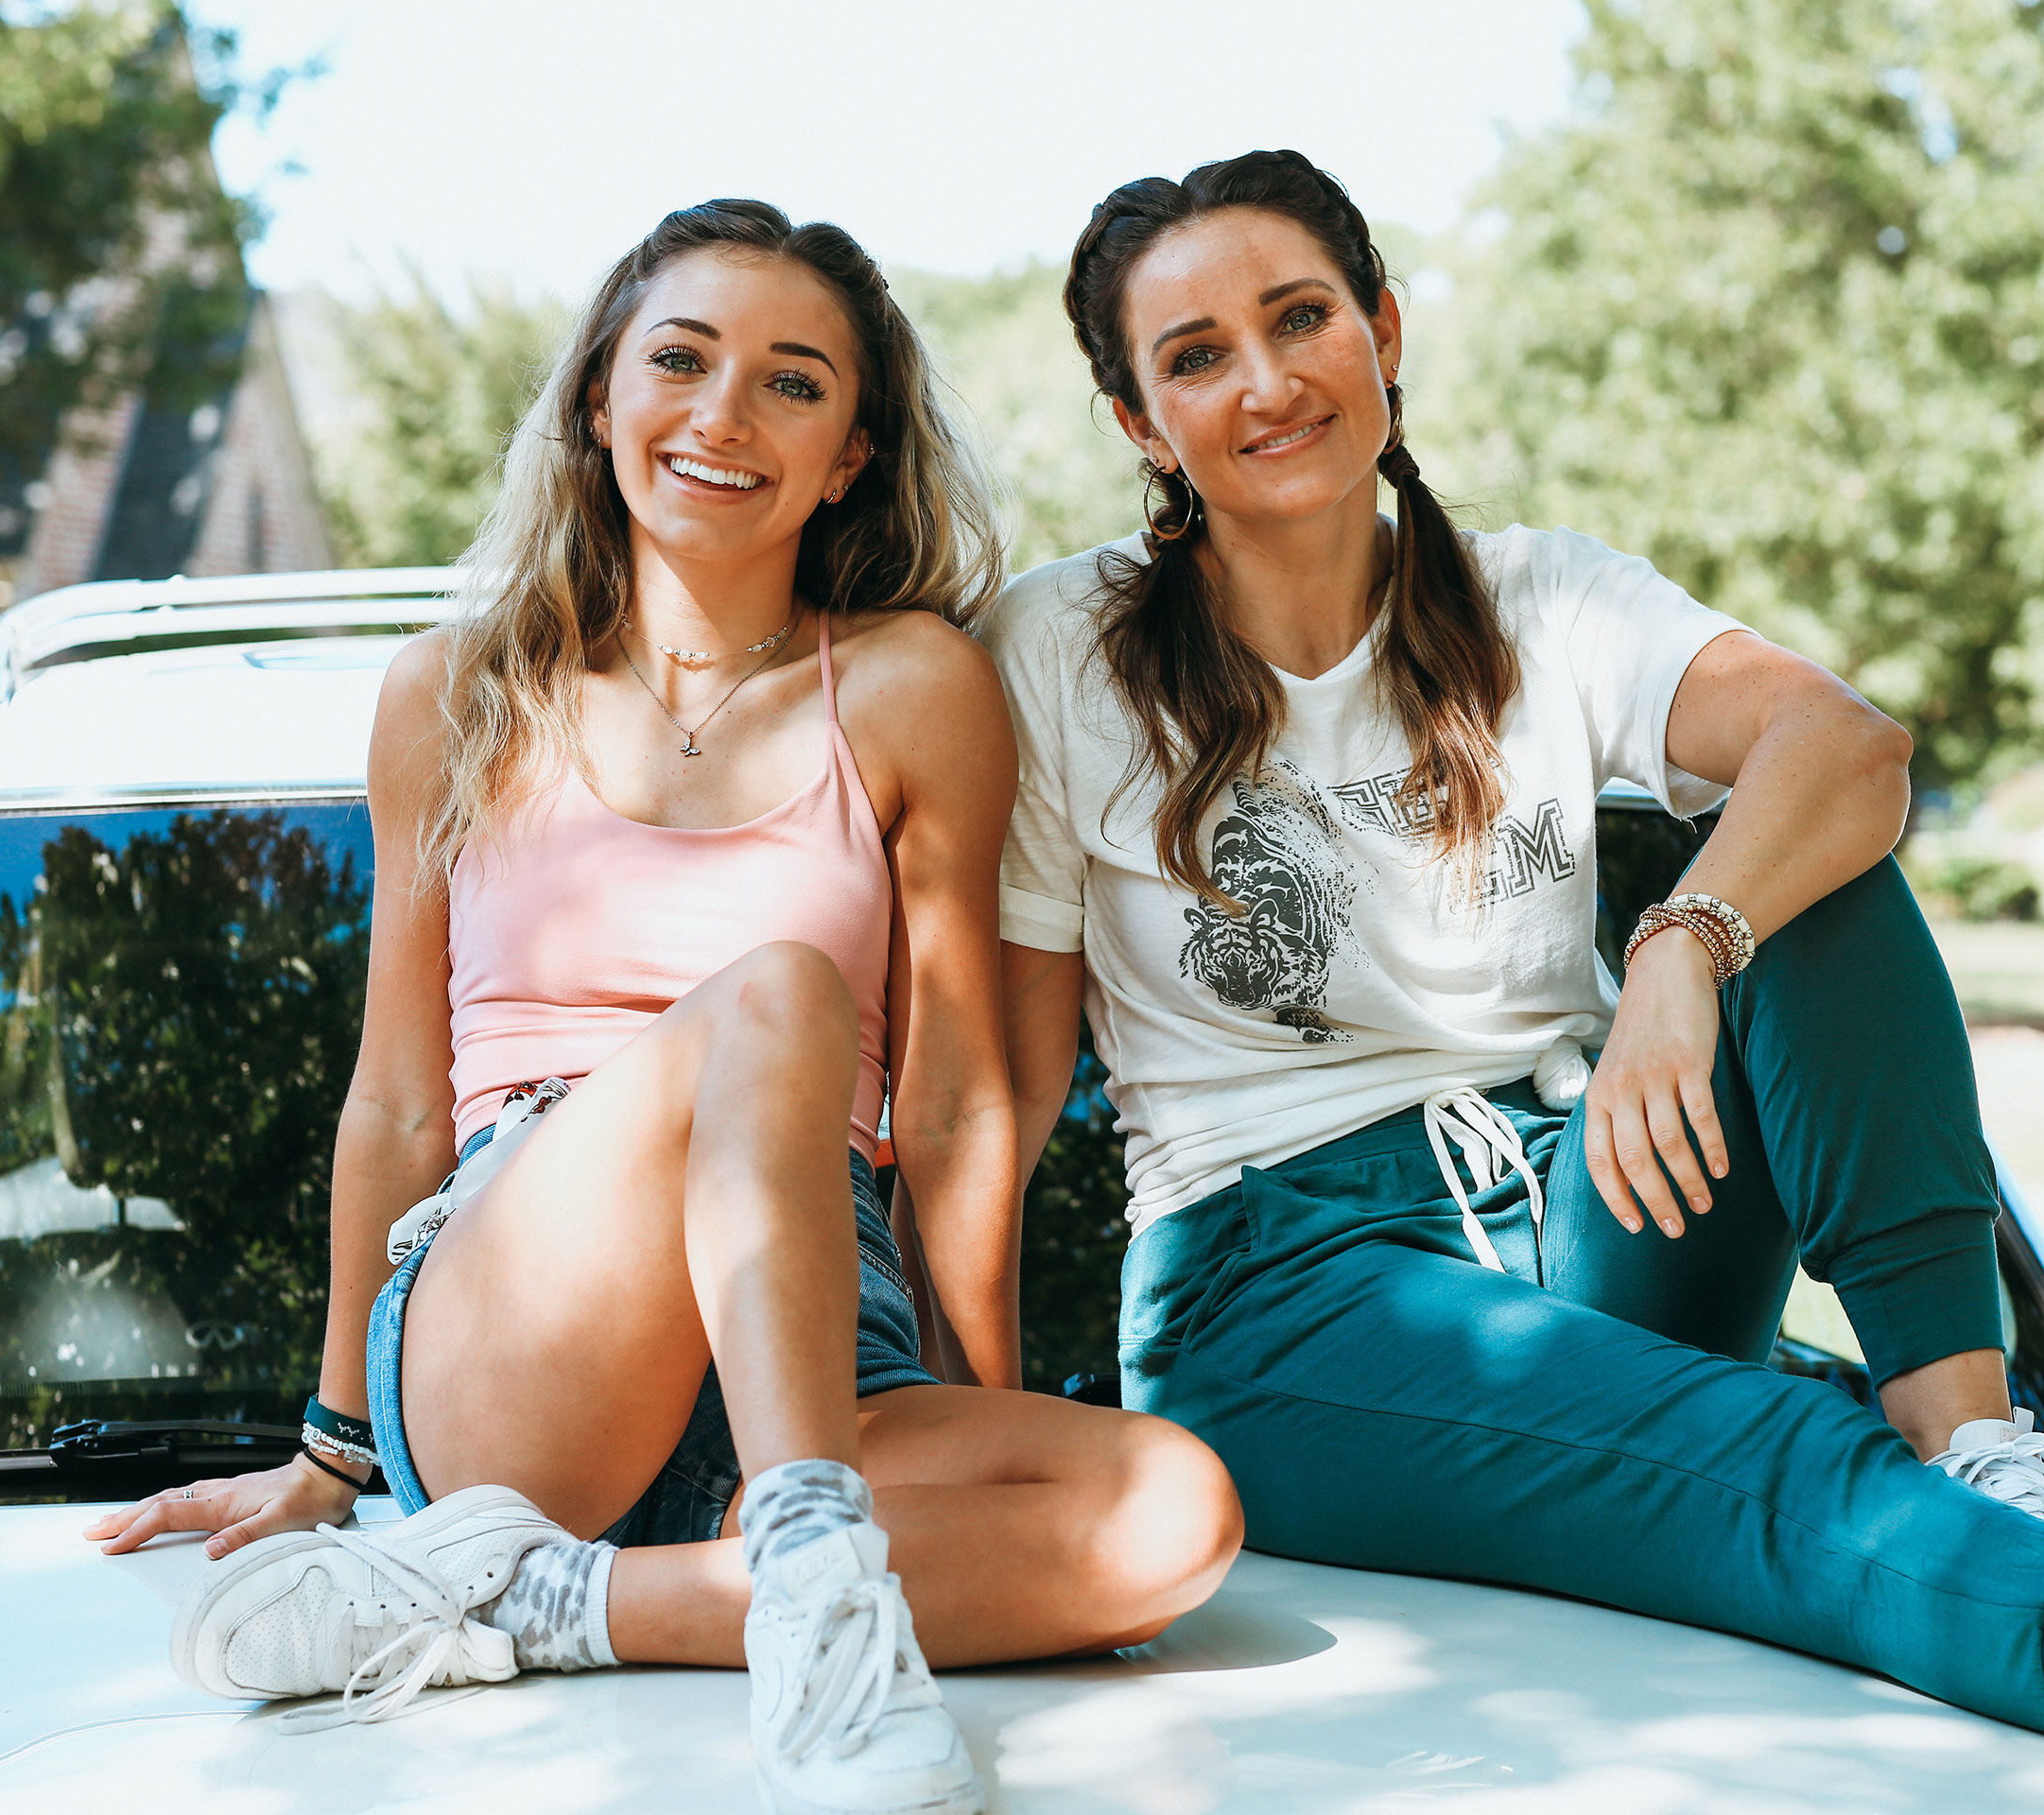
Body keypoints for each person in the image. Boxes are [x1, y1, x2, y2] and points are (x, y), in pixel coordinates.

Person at [986, 149, 2044, 1809]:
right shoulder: (1062, 653)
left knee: (1808, 858)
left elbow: (1848, 747)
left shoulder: (1536, 598)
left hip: (1571, 1190)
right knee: (1763, 1451)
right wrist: (977, 1438)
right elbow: (997, 1088)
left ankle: (1978, 1452)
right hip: (1285, 1287)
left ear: (1383, 327)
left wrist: (1681, 944)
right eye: (1194, 355)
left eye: (1300, 315)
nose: (1265, 380)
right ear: (1136, 423)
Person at [85, 199, 1241, 1815]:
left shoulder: (911, 687)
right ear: (598, 403)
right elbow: (401, 1100)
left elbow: (965, 1102)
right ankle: (824, 1598)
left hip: (825, 1347)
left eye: (792, 382)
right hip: (525, 1327)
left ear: (849, 454)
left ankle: (546, 1602)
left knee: (1177, 1515)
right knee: (776, 1001)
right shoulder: (459, 690)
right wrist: (331, 1452)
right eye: (680, 360)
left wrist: (986, 1392)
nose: (721, 414)